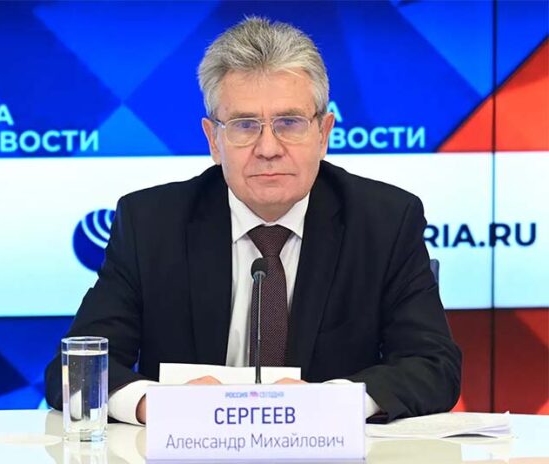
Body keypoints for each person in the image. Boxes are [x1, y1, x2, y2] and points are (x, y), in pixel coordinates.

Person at [45, 17, 461, 425]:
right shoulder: (151, 224)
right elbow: (73, 371)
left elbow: (433, 365)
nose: (268, 148)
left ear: (324, 133)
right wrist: (154, 405)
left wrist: (333, 402)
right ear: (214, 139)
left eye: (289, 123)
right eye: (245, 125)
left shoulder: (385, 221)